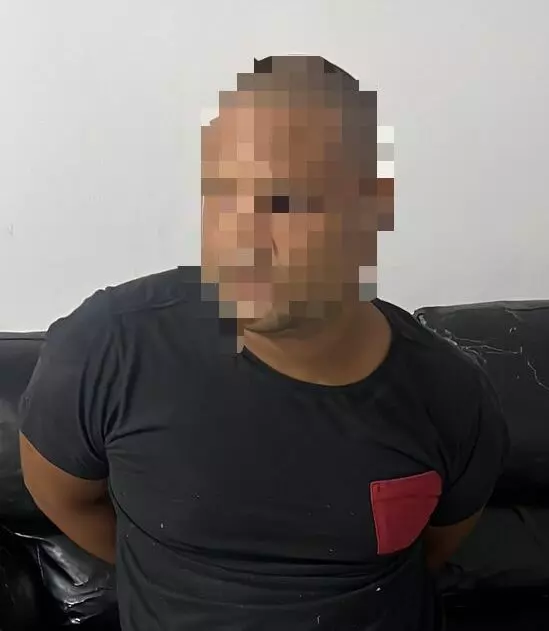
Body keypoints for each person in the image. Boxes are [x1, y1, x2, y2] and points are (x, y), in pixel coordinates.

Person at [18, 55, 509, 631]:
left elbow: (434, 548)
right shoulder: (107, 347)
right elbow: (63, 497)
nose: (242, 241)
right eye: (223, 196)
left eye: (285, 202)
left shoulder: (452, 395)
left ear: (372, 208)